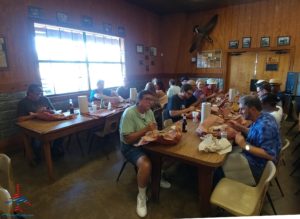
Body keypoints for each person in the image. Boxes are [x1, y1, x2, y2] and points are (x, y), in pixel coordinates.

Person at [119, 90, 171, 218]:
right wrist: (146, 130)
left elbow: (154, 130)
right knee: (146, 164)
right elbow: (128, 139)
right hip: (130, 147)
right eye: (147, 99)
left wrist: (158, 134)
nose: (150, 102)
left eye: (152, 100)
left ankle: (157, 177)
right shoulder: (129, 113)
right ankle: (141, 197)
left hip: (146, 143)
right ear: (139, 100)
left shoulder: (149, 112)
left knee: (168, 154)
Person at [227, 95, 281, 181]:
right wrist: (240, 127)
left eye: (242, 109)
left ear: (252, 109)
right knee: (228, 153)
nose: (240, 112)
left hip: (259, 167)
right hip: (254, 157)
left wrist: (243, 145)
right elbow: (257, 133)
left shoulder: (265, 126)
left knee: (219, 168)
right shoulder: (263, 116)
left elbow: (270, 155)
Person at [17, 84, 64, 163]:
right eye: (37, 94)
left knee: (61, 132)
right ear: (29, 93)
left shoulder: (44, 99)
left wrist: (48, 111)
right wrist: (36, 114)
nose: (40, 95)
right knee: (37, 142)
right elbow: (20, 119)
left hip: (48, 124)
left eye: (40, 93)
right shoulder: (23, 103)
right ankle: (37, 157)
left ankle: (54, 151)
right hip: (33, 128)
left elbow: (54, 111)